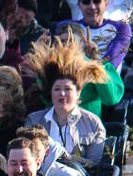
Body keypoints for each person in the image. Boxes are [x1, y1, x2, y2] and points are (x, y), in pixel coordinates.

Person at [24, 36, 107, 164]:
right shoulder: (33, 121)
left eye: (67, 89)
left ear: (78, 93)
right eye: (57, 89)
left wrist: (68, 160)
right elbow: (26, 158)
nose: (62, 93)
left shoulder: (93, 123)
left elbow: (94, 165)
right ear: (50, 93)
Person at [56, 22, 124, 116]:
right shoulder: (50, 68)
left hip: (87, 125)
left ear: (83, 44)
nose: (66, 45)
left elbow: (111, 99)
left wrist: (95, 62)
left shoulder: (96, 65)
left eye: (71, 40)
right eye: (62, 41)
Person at [16, 124, 86, 176]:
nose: (29, 156)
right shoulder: (13, 175)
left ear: (47, 151)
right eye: (23, 150)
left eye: (36, 151)